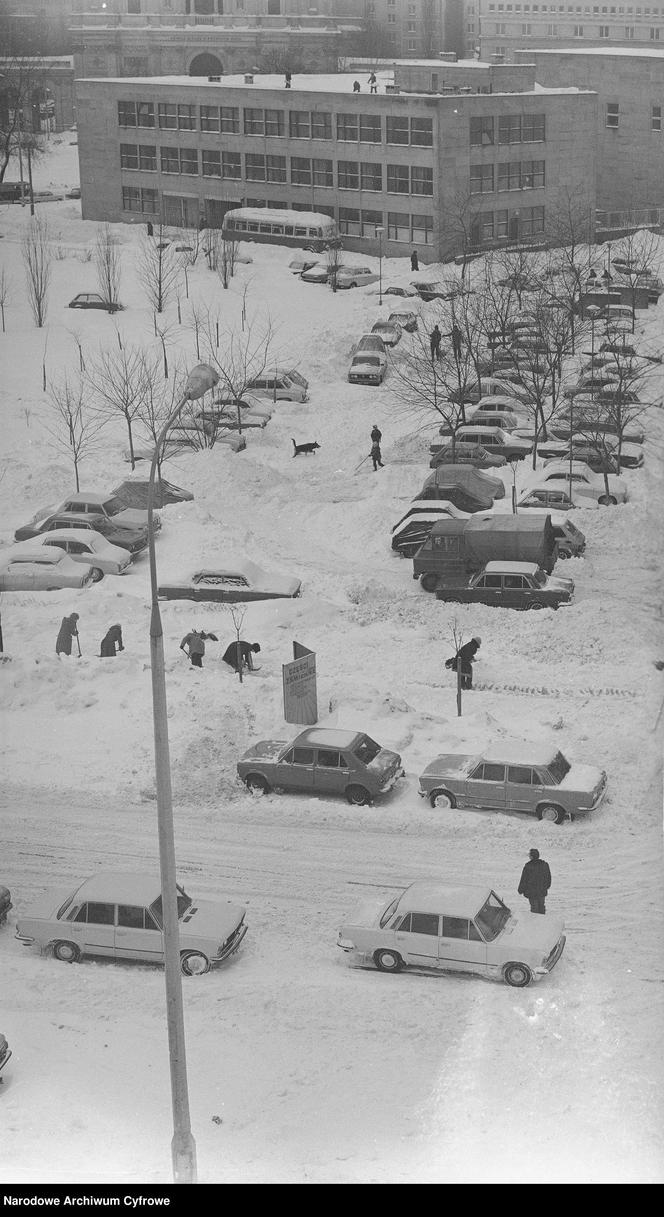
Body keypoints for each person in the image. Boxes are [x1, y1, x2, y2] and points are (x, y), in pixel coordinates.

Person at [518, 848, 552, 915]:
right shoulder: (544, 865)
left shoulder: (528, 866)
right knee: (541, 907)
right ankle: (542, 922)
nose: (529, 856)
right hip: (542, 891)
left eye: (529, 855)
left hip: (532, 892)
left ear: (532, 856)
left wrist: (521, 890)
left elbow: (524, 879)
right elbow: (548, 877)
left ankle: (535, 924)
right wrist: (546, 886)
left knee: (534, 909)